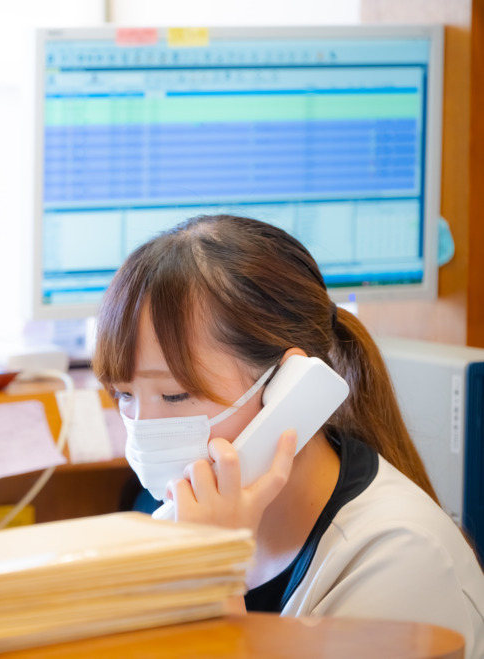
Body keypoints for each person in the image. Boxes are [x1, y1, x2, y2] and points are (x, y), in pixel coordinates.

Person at [93, 214, 484, 657]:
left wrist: (211, 576)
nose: (143, 426)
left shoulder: (401, 559)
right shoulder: (181, 524)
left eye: (176, 395)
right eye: (124, 394)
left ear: (290, 385)